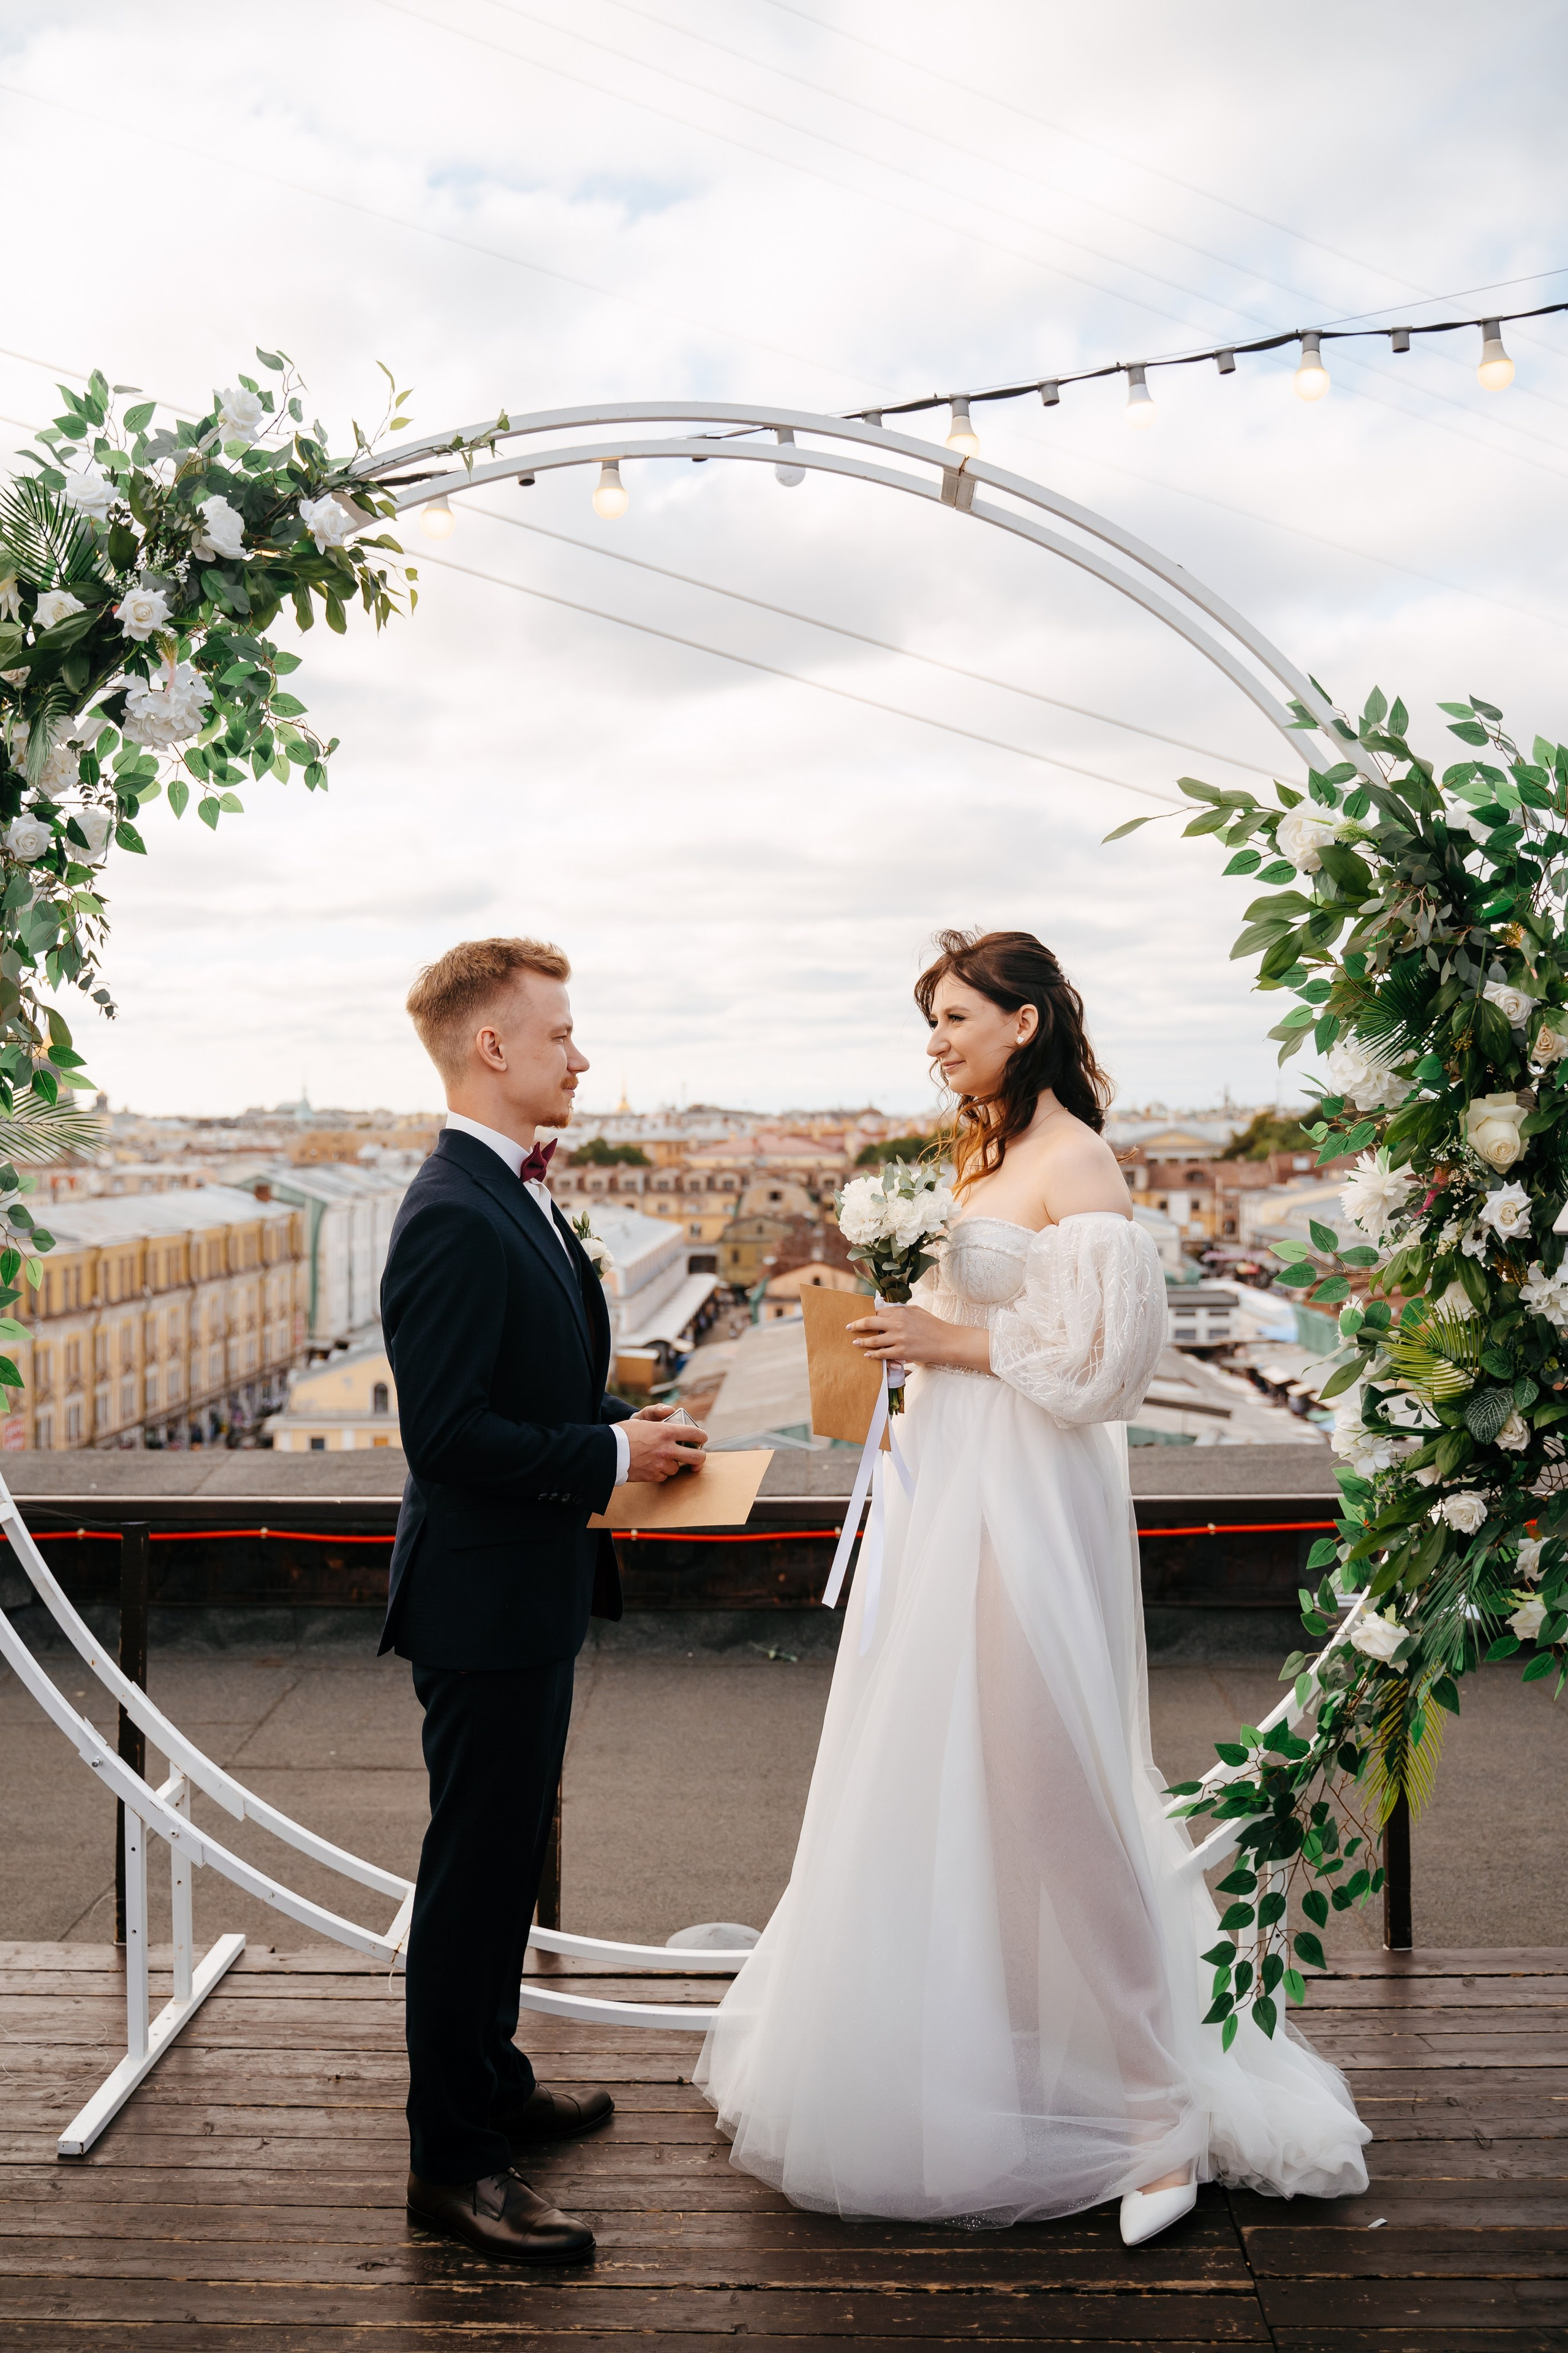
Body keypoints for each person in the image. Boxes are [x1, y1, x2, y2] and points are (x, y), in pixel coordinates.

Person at [696, 928, 1368, 2244]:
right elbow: (985, 1326)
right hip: (947, 1488)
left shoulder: (1076, 1160)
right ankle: (1025, 2055)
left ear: (1024, 1020)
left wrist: (946, 1338)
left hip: (1026, 1500)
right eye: (931, 1020)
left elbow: (1108, 1365)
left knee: (1049, 1782)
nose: (936, 1040)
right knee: (965, 1780)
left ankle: (1157, 2109)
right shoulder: (979, 1156)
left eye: (955, 1015)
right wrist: (903, 1351)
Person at [381, 936, 707, 2265]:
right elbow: (448, 1435)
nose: (582, 1055)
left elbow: (530, 1388)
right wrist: (612, 1456)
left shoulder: (509, 1190)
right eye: (561, 1032)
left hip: (524, 1588)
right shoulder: (454, 1211)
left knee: (507, 1859)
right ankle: (453, 2163)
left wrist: (627, 1433)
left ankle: (493, 2080)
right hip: (480, 1600)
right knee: (471, 1880)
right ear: (491, 1047)